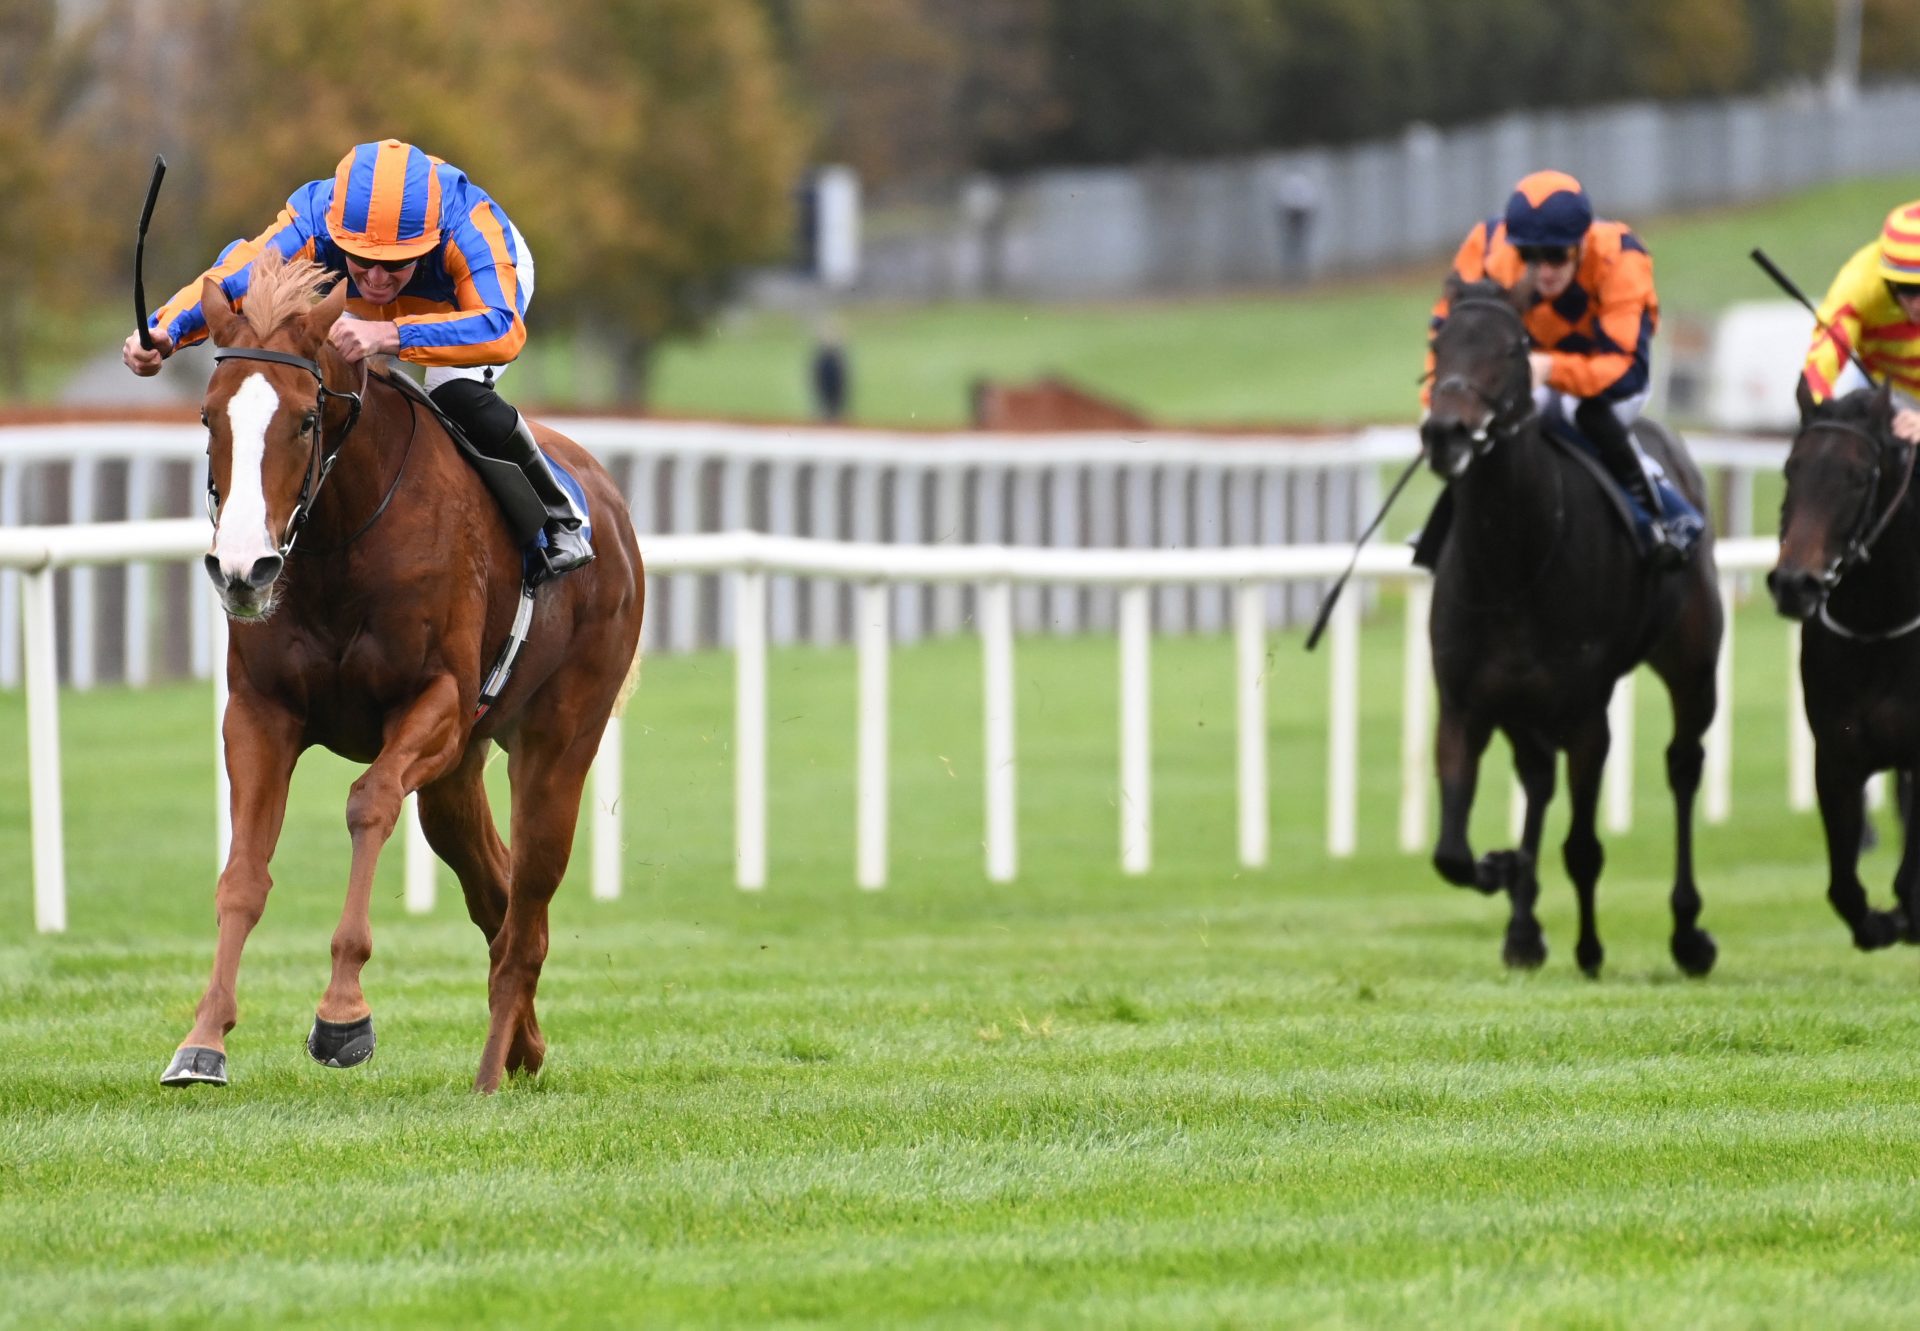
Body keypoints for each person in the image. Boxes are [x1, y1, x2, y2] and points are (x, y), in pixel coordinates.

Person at [121, 138, 591, 581]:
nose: (379, 278)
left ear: (430, 239)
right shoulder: (314, 218)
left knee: (454, 395)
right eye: (363, 259)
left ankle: (557, 513)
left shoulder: (471, 226)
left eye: (396, 262)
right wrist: (167, 330)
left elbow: (501, 329)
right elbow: (229, 281)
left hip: (464, 306)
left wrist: (389, 333)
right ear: (338, 234)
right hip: (357, 308)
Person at [1426, 169, 1680, 568]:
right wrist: (1437, 403)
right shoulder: (1488, 246)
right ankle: (1443, 529)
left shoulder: (1621, 257)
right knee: (1480, 423)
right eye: (1528, 255)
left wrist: (1551, 369)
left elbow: (1624, 370)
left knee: (1577, 413)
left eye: (1557, 255)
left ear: (1581, 244)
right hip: (1527, 370)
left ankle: (1660, 510)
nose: (1543, 270)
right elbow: (1447, 332)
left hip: (1609, 380)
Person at [1799, 199, 1920, 441]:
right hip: (1891, 393)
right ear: (1887, 280)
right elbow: (1822, 363)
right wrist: (1817, 414)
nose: (1918, 303)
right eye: (1907, 288)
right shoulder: (1859, 284)